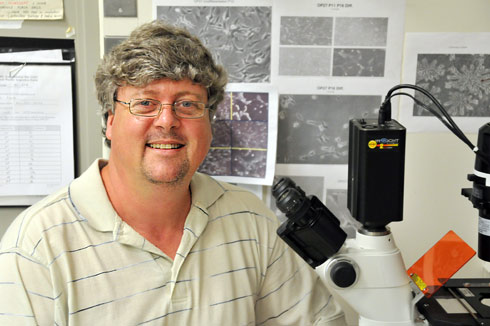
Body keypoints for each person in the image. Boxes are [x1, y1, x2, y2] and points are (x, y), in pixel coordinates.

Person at [0, 20, 346, 325]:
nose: (167, 120)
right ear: (110, 121)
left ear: (209, 124)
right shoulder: (36, 247)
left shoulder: (251, 222)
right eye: (145, 103)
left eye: (187, 104)